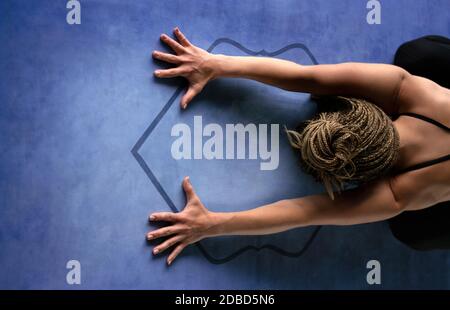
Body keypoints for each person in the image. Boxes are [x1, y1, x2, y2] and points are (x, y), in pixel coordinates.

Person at [147, 27, 450, 265]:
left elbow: (304, 212)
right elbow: (304, 77)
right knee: (418, 53)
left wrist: (212, 224)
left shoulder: (404, 192)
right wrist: (214, 64)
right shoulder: (409, 88)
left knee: (411, 233)